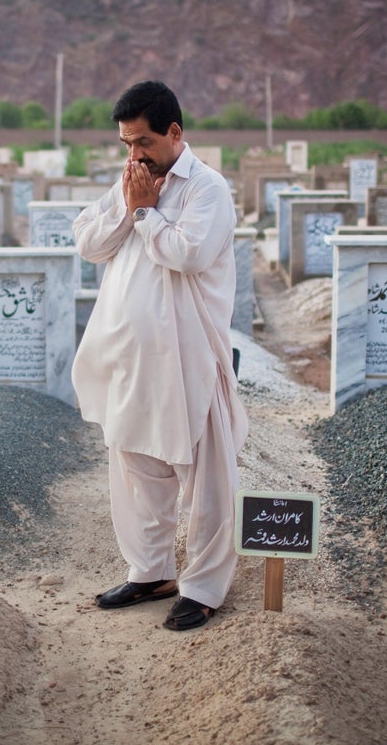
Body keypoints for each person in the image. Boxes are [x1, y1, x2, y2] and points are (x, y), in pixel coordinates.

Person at [71, 80, 248, 631]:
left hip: (188, 357)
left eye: (142, 141)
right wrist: (129, 208)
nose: (133, 155)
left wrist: (146, 214)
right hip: (130, 359)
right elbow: (88, 243)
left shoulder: (208, 189)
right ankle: (149, 571)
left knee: (206, 479)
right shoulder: (132, 183)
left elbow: (188, 254)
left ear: (175, 132)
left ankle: (203, 588)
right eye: (126, 144)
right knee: (135, 468)